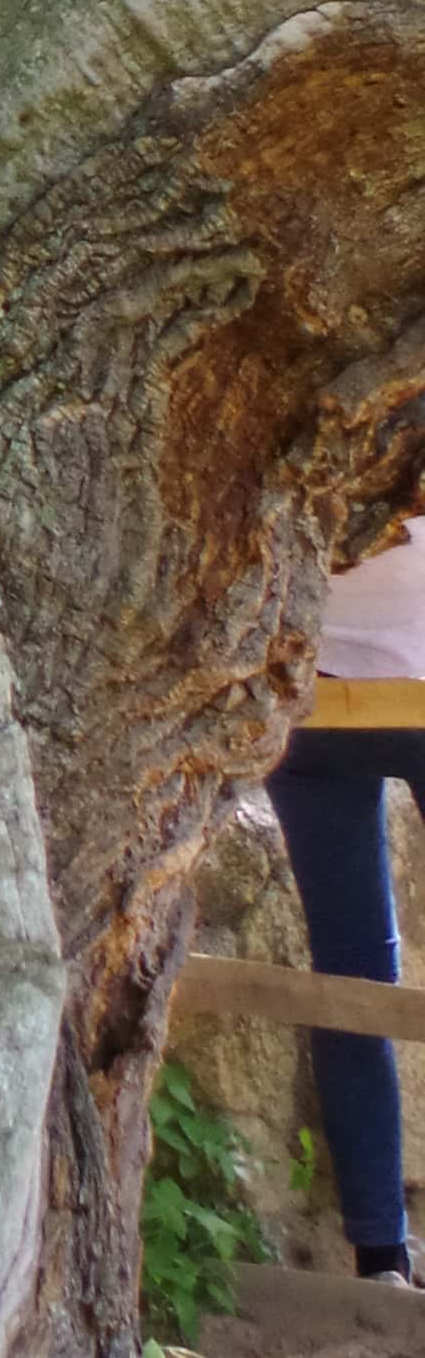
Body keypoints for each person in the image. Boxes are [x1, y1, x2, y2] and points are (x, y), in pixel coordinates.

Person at [266, 516, 425, 1282]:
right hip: (382, 687)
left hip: (309, 697)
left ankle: (380, 1258)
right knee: (351, 978)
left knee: (350, 973)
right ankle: (380, 1252)